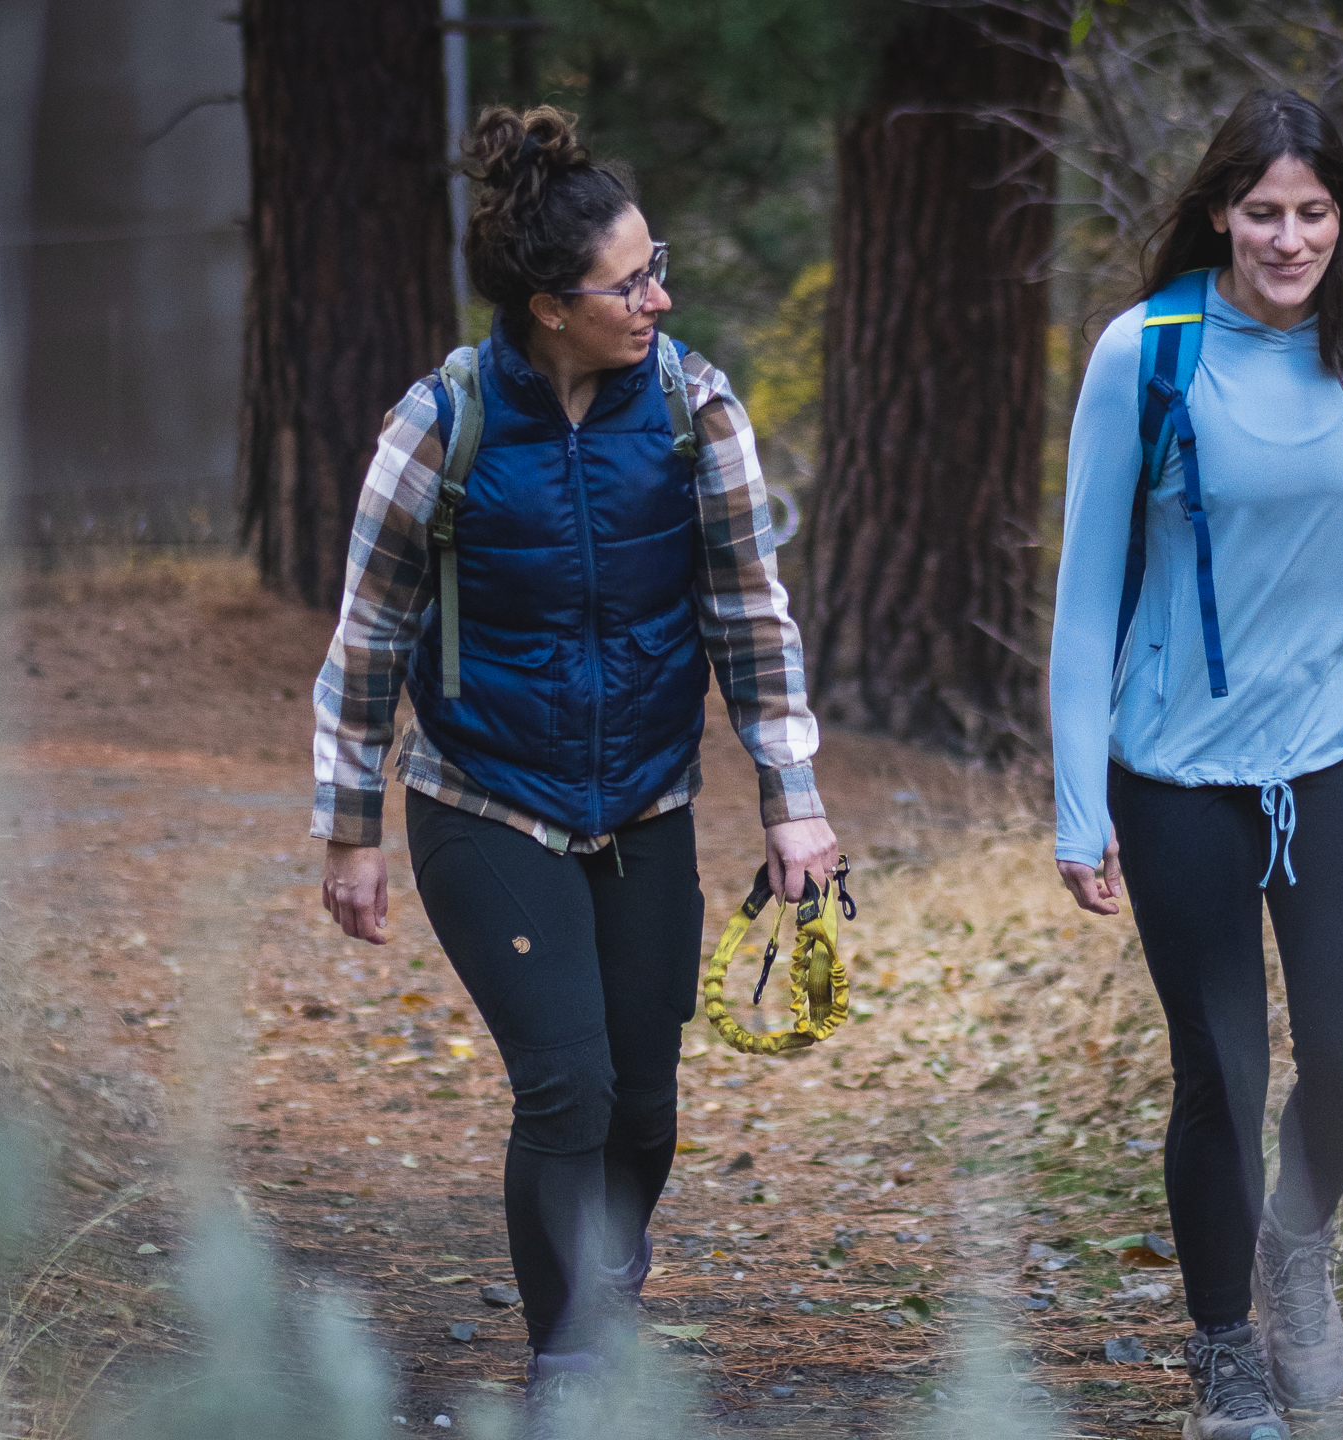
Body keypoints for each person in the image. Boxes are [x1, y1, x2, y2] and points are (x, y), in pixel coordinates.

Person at [308, 105, 837, 1430]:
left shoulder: (692, 406)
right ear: (552, 306)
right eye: (631, 282)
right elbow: (370, 632)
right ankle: (566, 1366)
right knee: (569, 1084)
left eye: (658, 269)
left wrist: (795, 798)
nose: (658, 297)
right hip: (483, 800)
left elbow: (749, 613)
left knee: (644, 1104)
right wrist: (349, 824)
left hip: (646, 800)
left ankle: (607, 1261)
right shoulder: (444, 425)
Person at [1049, 90, 1343, 1440]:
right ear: (1217, 215)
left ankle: (1296, 1249)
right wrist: (1082, 806)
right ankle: (1224, 1354)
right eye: (1264, 212)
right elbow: (1085, 598)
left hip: (1339, 755)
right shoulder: (1150, 354)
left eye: (1316, 213)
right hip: (1178, 770)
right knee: (1224, 1075)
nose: (1290, 239)